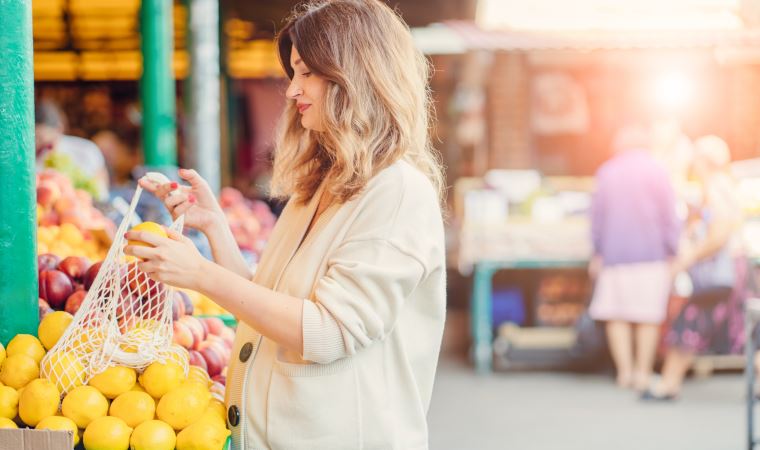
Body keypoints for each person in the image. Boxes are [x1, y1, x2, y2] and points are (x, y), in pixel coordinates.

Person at [124, 1, 447, 448]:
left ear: (356, 74)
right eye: (294, 73)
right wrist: (215, 230)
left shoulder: (397, 193)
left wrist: (200, 274)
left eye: (307, 72)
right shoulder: (319, 186)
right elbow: (268, 311)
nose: (293, 90)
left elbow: (328, 331)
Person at [642, 135, 745, 401]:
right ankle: (669, 382)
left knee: (689, 323)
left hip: (720, 272)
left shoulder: (717, 186)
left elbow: (719, 232)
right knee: (745, 329)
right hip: (733, 269)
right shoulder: (725, 184)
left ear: (702, 162)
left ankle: (668, 384)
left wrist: (690, 257)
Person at [588, 124, 680, 391]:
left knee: (616, 314)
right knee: (647, 315)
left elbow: (596, 217)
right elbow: (669, 215)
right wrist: (672, 250)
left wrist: (597, 250)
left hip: (614, 254)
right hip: (650, 253)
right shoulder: (657, 170)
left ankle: (624, 372)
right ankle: (642, 372)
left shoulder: (606, 172)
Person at [35, 100, 110, 200]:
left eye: (43, 139)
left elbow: (102, 192)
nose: (40, 145)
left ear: (59, 129)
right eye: (35, 139)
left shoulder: (86, 150)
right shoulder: (29, 159)